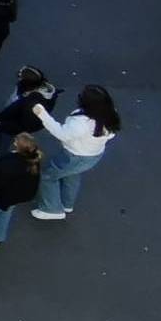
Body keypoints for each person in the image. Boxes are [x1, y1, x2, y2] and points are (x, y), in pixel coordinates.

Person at [30, 84, 120, 220]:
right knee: (72, 175)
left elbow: (62, 133)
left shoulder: (81, 122)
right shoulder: (110, 114)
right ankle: (67, 203)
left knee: (48, 177)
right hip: (93, 155)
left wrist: (42, 114)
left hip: (74, 156)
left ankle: (52, 209)